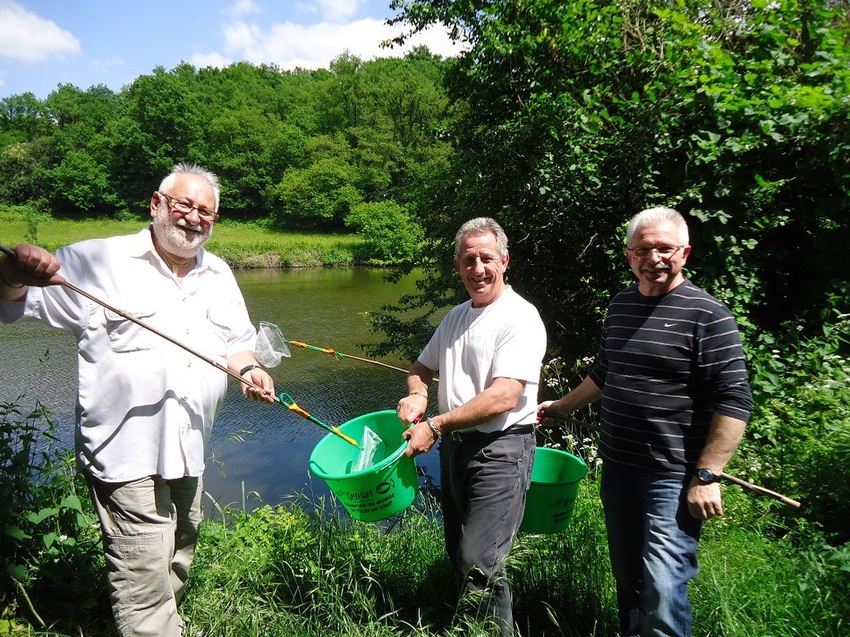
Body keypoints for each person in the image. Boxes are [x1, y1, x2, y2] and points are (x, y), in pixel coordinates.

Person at [0, 163, 276, 637]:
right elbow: (14, 303)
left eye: (205, 211)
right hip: (125, 452)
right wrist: (11, 272)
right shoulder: (96, 262)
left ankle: (156, 621)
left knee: (178, 553)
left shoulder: (219, 273)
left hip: (191, 442)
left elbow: (237, 342)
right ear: (156, 204)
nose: (193, 218)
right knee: (143, 573)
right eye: (183, 204)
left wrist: (250, 370)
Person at [538, 207, 754, 637]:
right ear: (628, 256)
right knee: (631, 583)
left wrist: (708, 474)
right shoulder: (620, 305)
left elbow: (735, 399)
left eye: (665, 248)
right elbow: (605, 372)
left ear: (685, 253)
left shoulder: (709, 315)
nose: (654, 258)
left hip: (671, 478)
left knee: (664, 587)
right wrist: (562, 405)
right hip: (617, 468)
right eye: (644, 249)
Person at [396, 217, 546, 636]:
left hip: (502, 450)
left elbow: (505, 396)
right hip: (455, 449)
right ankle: (469, 626)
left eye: (486, 258)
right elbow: (421, 367)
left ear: (505, 261)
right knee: (458, 551)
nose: (477, 268)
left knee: (480, 559)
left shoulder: (520, 317)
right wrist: (418, 395)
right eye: (468, 259)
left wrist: (436, 424)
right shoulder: (457, 316)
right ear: (458, 265)